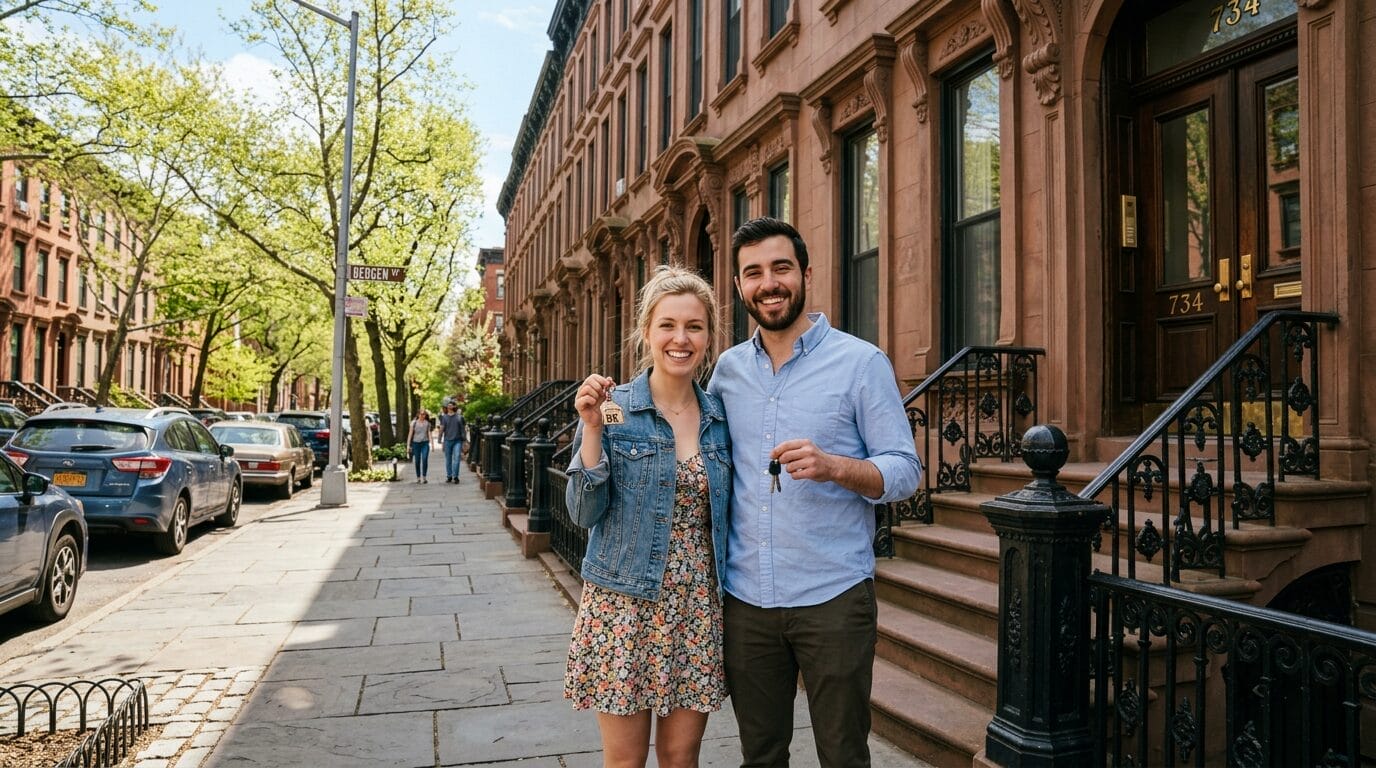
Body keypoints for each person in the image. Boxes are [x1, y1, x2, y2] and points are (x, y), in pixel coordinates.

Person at [708, 217, 922, 768]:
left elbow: (905, 471)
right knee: (761, 755)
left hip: (833, 596)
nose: (768, 283)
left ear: (805, 273)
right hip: (746, 600)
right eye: (752, 272)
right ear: (739, 286)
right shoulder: (726, 373)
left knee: (844, 755)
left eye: (780, 268)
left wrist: (835, 467)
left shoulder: (861, 363)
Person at [563, 266, 732, 768]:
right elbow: (582, 510)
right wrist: (591, 430)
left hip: (696, 608)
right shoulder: (616, 409)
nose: (681, 339)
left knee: (682, 759)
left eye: (695, 327)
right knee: (626, 762)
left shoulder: (721, 418)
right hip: (624, 606)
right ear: (646, 333)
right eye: (668, 325)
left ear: (708, 337)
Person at [438, 401, 466, 483]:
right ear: (447, 407)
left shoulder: (459, 417)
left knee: (457, 458)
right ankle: (449, 476)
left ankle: (455, 476)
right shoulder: (444, 417)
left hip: (457, 440)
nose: (449, 407)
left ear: (454, 407)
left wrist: (464, 441)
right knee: (448, 459)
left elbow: (462, 429)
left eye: (451, 405)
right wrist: (439, 438)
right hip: (447, 441)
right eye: (448, 405)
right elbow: (442, 428)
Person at [409, 408, 435, 483]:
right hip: (416, 443)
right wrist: (408, 445)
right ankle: (418, 477)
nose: (422, 415)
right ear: (418, 414)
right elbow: (410, 434)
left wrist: (432, 445)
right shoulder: (413, 423)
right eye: (421, 414)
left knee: (424, 459)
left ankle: (424, 476)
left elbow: (429, 434)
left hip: (425, 443)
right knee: (417, 461)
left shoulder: (427, 423)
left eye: (424, 414)